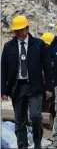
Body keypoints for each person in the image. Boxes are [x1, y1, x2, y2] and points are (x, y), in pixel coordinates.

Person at [1, 15, 53, 149]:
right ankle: (22, 146)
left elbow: (47, 66)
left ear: (27, 28)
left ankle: (37, 142)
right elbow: (3, 69)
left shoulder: (39, 45)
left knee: (35, 116)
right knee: (20, 119)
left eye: (21, 30)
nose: (18, 33)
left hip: (34, 86)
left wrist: (48, 88)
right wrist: (3, 89)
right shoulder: (9, 47)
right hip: (17, 87)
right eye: (16, 31)